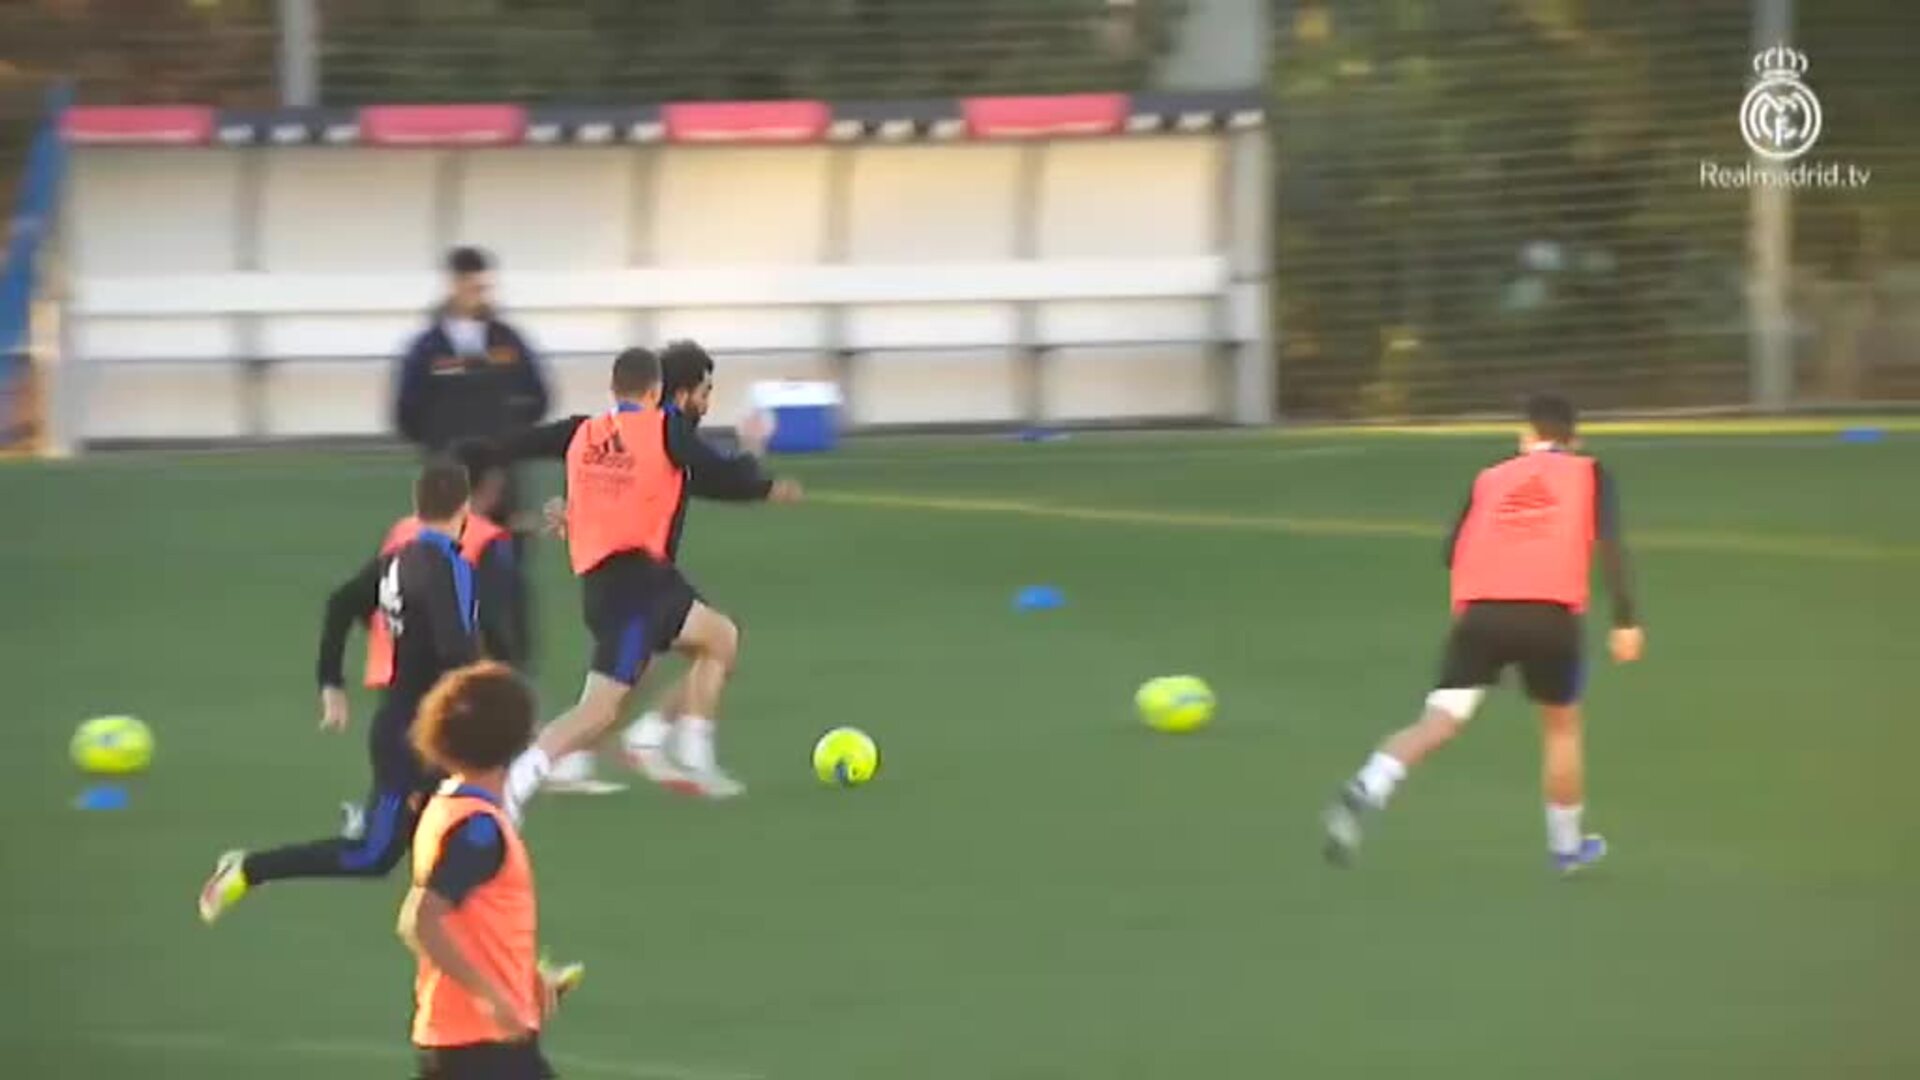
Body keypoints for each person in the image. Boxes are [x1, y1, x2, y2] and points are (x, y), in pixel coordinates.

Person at [1321, 393, 1645, 874]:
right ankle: (1566, 849)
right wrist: (1625, 620)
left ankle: (1369, 784)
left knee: (1438, 723)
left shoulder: (1489, 478)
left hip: (1481, 616)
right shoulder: (1591, 473)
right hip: (1550, 615)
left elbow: (1453, 552)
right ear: (1575, 439)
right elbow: (1612, 548)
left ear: (1525, 437)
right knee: (1560, 730)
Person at [499, 344, 801, 820]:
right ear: (672, 392)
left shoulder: (616, 433)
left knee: (718, 638)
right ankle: (524, 776)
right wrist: (762, 480)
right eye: (705, 391)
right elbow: (713, 472)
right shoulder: (666, 432)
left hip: (634, 584)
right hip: (633, 586)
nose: (708, 401)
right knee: (602, 707)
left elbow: (689, 476)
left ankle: (664, 746)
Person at [199, 460, 494, 922]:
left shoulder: (397, 561)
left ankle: (519, 969)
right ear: (464, 510)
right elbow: (456, 651)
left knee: (467, 844)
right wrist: (491, 711)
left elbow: (341, 604)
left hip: (406, 723)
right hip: (423, 738)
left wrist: (330, 682)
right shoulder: (448, 566)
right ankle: (249, 869)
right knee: (377, 855)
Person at [401, 661, 580, 1080]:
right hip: (482, 1047)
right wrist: (493, 998)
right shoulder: (478, 829)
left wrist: (527, 979)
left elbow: (473, 919)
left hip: (467, 1040)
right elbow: (420, 919)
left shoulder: (447, 806)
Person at [395, 246, 551, 665]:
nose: (478, 293)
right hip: (449, 485)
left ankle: (512, 668)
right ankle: (452, 662)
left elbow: (539, 396)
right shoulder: (428, 349)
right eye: (470, 285)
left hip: (501, 482)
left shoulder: (508, 343)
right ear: (454, 285)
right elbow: (406, 410)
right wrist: (439, 449)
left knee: (508, 575)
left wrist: (509, 438)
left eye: (484, 286)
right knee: (448, 570)